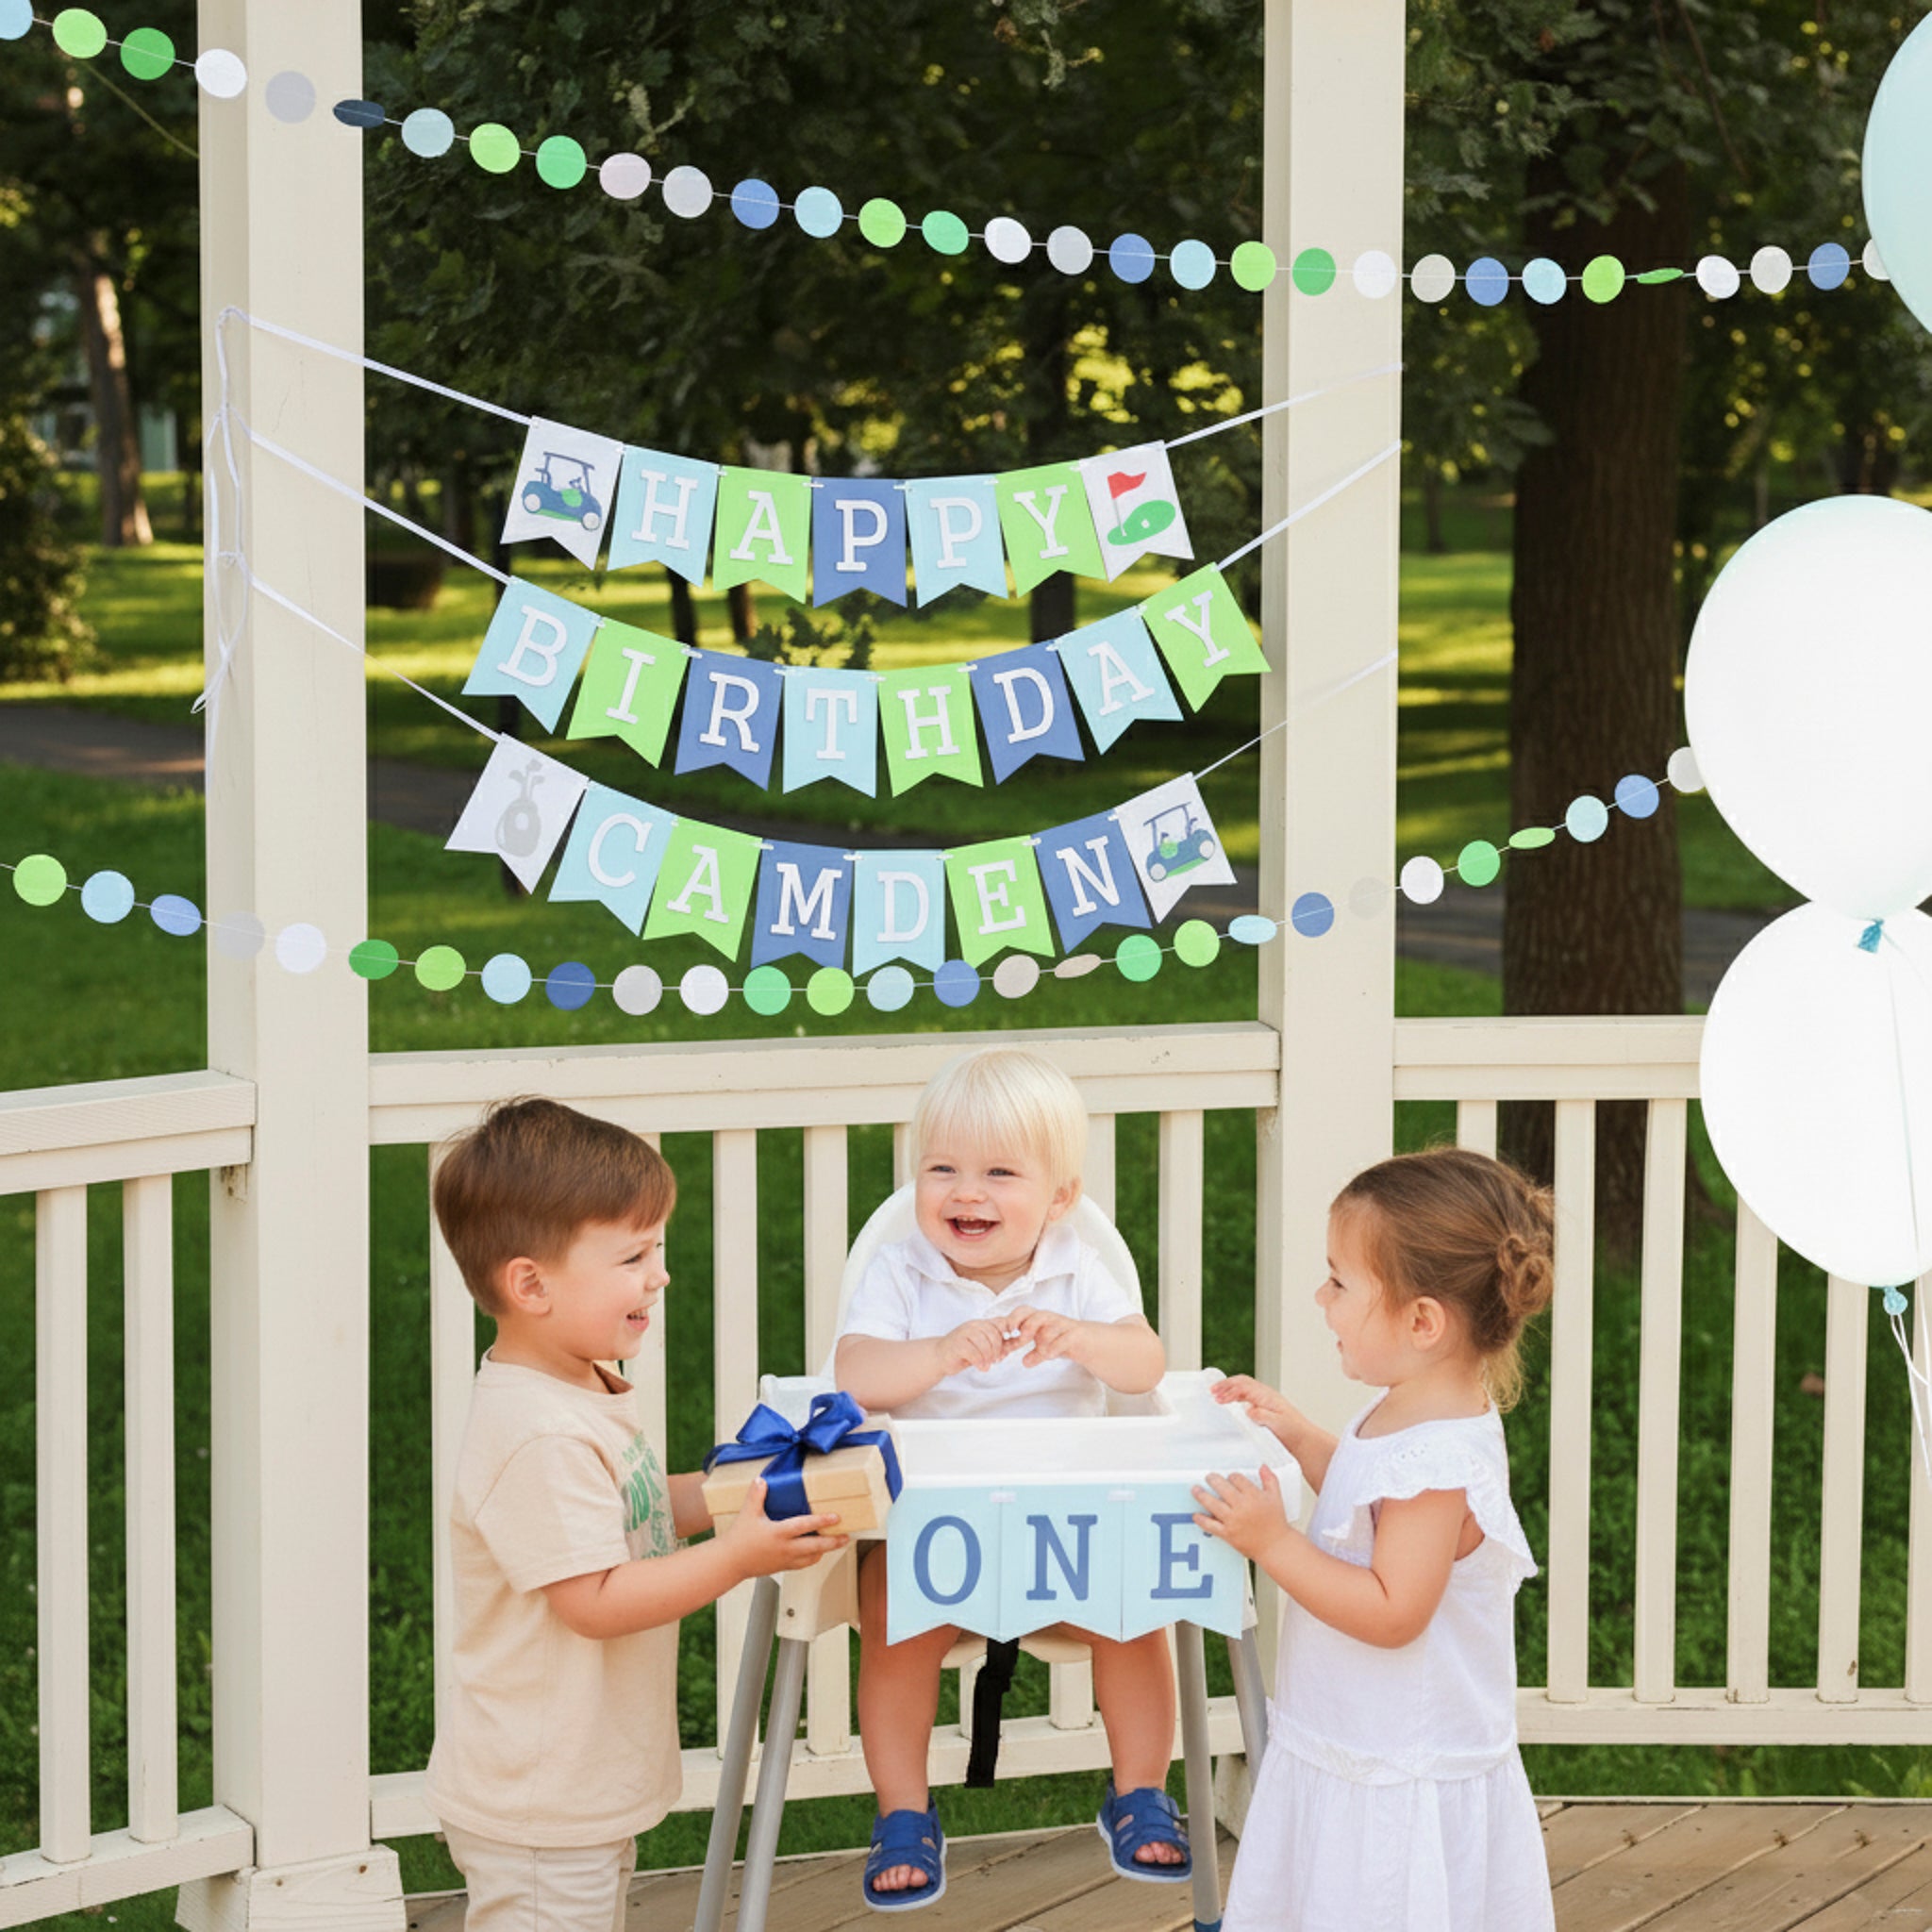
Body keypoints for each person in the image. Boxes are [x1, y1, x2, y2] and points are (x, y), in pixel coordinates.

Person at [424, 1096, 848, 1932]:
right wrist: (739, 1556)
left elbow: (640, 1504)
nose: (659, 1275)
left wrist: (743, 1487)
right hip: (539, 1802)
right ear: (531, 1284)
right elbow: (595, 1600)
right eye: (634, 1257)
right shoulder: (538, 1433)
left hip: (573, 1787)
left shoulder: (578, 1388)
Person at [833, 1046, 1187, 1912]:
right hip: (936, 1537)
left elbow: (1145, 1364)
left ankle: (1139, 1791)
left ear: (1058, 1199)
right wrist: (936, 1355)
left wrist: (1081, 1338)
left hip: (1062, 1535)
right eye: (941, 1168)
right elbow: (852, 1373)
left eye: (999, 1172)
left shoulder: (1075, 1269)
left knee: (1138, 1605)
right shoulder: (902, 1271)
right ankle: (904, 1812)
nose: (966, 1193)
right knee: (887, 1617)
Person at [1193, 1147, 1557, 1932]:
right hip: (1352, 1739)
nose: (1321, 1298)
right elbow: (1368, 1491)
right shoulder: (1412, 1411)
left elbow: (1395, 1611)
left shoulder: (1437, 1464)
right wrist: (1300, 1436)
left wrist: (1276, 1544)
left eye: (1340, 1282)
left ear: (1422, 1320)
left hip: (1398, 1770)